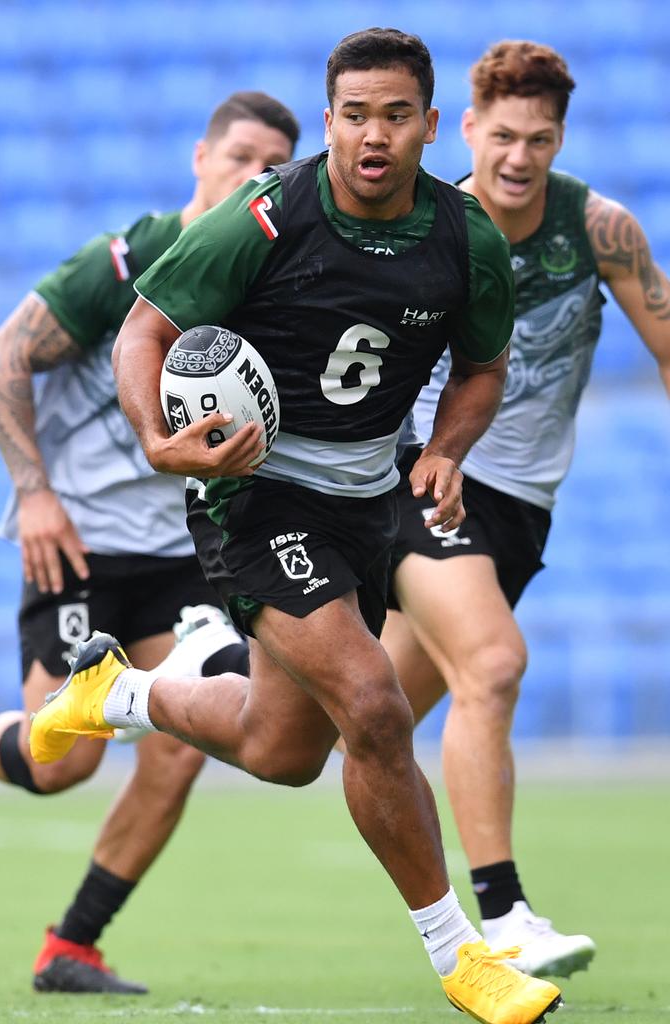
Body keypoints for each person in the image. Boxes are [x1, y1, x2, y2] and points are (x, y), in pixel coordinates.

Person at [30, 28, 565, 1024]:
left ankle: (118, 693)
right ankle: (465, 956)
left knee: (283, 750)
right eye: (355, 114)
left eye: (396, 115)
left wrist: (447, 447)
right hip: (255, 493)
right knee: (373, 703)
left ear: (429, 126)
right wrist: (159, 439)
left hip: (370, 503)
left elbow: (485, 363)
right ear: (328, 124)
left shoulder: (464, 236)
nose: (374, 134)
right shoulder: (266, 218)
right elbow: (146, 327)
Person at [0, 92, 298, 994]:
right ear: (200, 157)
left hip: (183, 553)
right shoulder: (128, 259)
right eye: (239, 155)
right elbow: (2, 357)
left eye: (272, 164)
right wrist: (34, 494)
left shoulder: (268, 276)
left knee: (191, 734)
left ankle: (72, 944)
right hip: (78, 543)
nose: (253, 175)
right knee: (61, 762)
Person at [382, 39, 670, 978]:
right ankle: (503, 916)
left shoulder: (598, 228)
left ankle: (146, 690)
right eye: (502, 135)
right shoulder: (425, 227)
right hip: (422, 482)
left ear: (559, 138)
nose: (518, 157)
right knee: (496, 663)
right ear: (465, 129)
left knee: (322, 729)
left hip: (521, 513)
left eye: (538, 139)